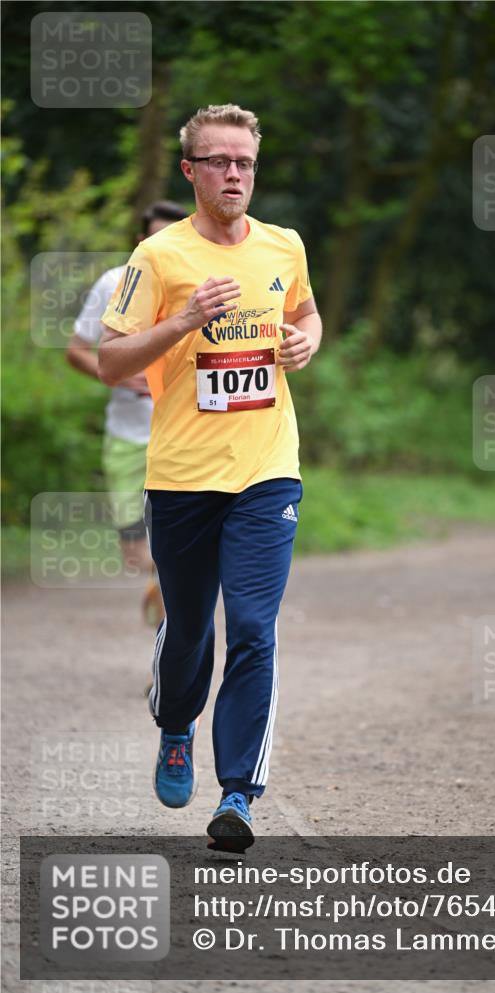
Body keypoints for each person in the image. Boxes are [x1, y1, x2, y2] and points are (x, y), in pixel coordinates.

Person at [97, 104, 322, 851]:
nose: (235, 175)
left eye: (246, 163)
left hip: (266, 471)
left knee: (254, 631)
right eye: (220, 162)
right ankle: (173, 726)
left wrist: (303, 342)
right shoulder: (157, 258)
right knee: (189, 625)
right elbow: (112, 360)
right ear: (190, 170)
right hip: (184, 475)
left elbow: (307, 313)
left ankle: (237, 795)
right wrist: (184, 319)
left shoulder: (283, 245)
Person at [67, 201, 188, 627]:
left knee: (174, 549)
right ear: (140, 241)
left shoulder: (199, 285)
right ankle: (162, 587)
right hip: (127, 437)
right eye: (153, 235)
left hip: (182, 438)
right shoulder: (114, 283)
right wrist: (117, 377)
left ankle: (166, 640)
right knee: (138, 554)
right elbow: (76, 351)